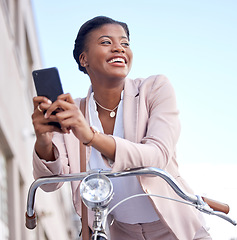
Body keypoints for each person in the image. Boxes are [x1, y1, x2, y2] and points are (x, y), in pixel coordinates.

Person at [32, 16, 211, 240]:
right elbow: (51, 183)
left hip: (176, 229)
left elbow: (157, 156)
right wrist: (44, 141)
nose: (119, 48)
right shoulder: (75, 111)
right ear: (83, 58)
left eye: (125, 43)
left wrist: (91, 137)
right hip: (123, 233)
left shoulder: (154, 89)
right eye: (106, 42)